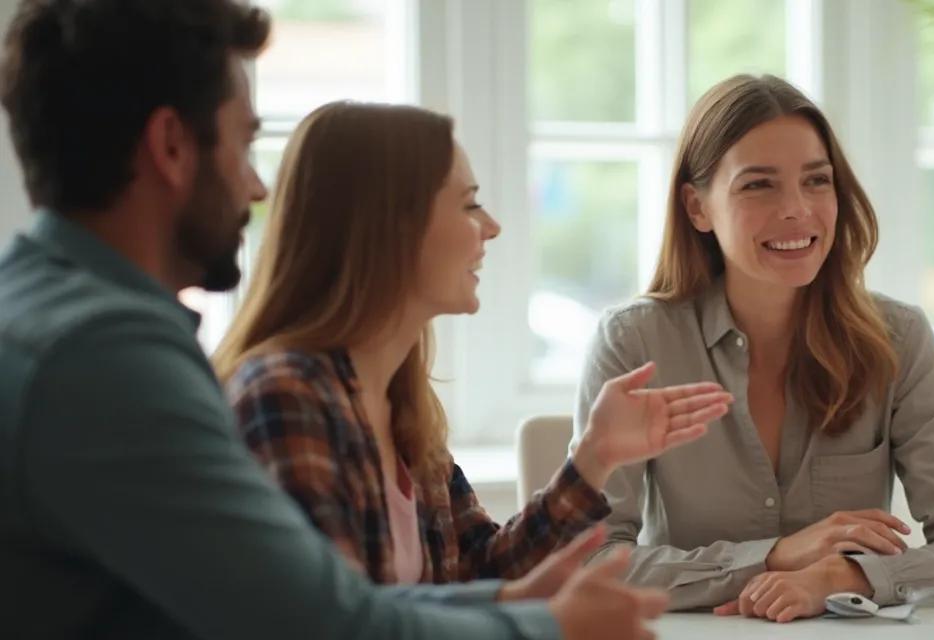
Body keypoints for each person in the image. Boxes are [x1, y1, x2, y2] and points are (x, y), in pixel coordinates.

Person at [0, 2, 662, 638]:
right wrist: (544, 628)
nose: (257, 189)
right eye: (243, 142)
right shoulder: (105, 359)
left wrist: (514, 590)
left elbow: (347, 603)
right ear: (171, 146)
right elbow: (321, 625)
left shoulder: (46, 317)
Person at [212, 100, 732, 589]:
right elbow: (345, 621)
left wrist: (596, 457)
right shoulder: (286, 396)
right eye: (469, 205)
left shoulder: (399, 403)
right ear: (389, 230)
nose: (492, 227)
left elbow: (487, 570)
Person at [572, 74, 934, 623]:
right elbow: (589, 563)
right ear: (697, 208)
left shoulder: (899, 339)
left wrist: (850, 576)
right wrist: (770, 557)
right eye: (758, 185)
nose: (797, 210)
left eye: (817, 181)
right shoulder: (635, 343)